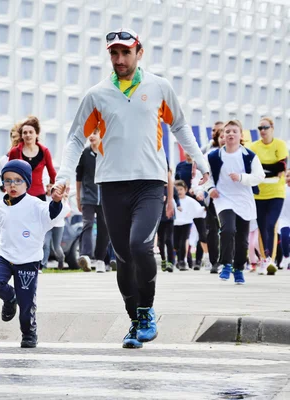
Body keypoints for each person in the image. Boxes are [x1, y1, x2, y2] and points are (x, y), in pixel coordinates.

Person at [55, 28, 210, 349]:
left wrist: (202, 162)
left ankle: (147, 311)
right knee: (123, 257)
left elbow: (179, 125)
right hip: (111, 185)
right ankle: (134, 320)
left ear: (140, 52)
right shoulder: (97, 94)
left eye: (126, 52)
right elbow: (75, 139)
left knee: (141, 245)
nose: (120, 59)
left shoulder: (159, 88)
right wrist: (64, 174)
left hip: (150, 183)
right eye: (114, 53)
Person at [0, 160, 65, 348]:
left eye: (18, 181)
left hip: (28, 260)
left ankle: (29, 333)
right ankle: (9, 298)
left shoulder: (35, 204)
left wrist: (57, 201)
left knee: (26, 304)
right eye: (8, 180)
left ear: (27, 183)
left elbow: (51, 214)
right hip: (4, 256)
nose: (12, 185)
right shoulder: (0, 207)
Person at [205, 120, 265, 284]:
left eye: (234, 131)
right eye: (228, 131)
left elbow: (260, 176)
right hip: (223, 199)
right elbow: (202, 176)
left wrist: (241, 178)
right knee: (228, 230)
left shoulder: (249, 156)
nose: (230, 134)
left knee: (242, 239)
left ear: (240, 135)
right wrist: (210, 189)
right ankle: (225, 264)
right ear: (223, 135)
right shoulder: (213, 156)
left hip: (244, 201)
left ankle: (238, 269)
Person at [8, 116, 57, 270]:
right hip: (20, 196)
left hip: (39, 195)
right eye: (25, 132)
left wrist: (52, 186)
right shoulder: (15, 151)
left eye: (31, 132)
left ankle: (37, 263)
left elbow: (52, 172)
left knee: (38, 230)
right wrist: (9, 187)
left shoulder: (44, 151)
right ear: (21, 135)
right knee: (18, 228)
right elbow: (7, 172)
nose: (28, 135)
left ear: (36, 134)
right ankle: (18, 261)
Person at [247, 117, 288, 275]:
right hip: (258, 193)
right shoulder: (253, 146)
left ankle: (270, 259)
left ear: (272, 128)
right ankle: (264, 259)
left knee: (271, 224)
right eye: (260, 128)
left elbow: (281, 165)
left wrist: (263, 170)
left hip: (276, 192)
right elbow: (253, 167)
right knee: (262, 227)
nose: (262, 131)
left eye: (265, 127)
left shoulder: (280, 145)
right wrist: (268, 169)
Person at [76, 130, 109, 273]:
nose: (91, 136)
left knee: (104, 228)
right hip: (88, 197)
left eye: (95, 133)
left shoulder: (107, 152)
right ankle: (86, 256)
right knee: (87, 224)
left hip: (105, 198)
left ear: (102, 135)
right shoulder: (84, 154)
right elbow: (78, 177)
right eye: (90, 133)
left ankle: (101, 260)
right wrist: (78, 197)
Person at [205, 122, 225, 274]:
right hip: (213, 197)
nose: (224, 138)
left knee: (229, 229)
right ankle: (215, 262)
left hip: (232, 198)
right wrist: (203, 189)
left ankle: (228, 260)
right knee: (212, 230)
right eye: (221, 136)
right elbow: (200, 174)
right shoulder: (209, 153)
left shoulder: (241, 153)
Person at [173, 180, 204, 271]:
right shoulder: (172, 200)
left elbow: (198, 210)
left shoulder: (190, 201)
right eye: (177, 189)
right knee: (176, 243)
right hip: (174, 224)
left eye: (181, 189)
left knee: (183, 241)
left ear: (185, 190)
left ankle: (182, 261)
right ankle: (179, 260)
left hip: (186, 223)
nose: (179, 191)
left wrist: (204, 209)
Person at [158, 166, 178, 273]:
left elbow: (177, 199)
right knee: (160, 241)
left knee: (169, 239)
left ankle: (171, 261)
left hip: (169, 216)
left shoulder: (172, 188)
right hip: (159, 217)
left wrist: (176, 204)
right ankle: (163, 260)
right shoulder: (157, 187)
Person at [0, 122, 22, 192]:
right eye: (13, 137)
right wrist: (2, 185)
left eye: (18, 136)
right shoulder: (4, 159)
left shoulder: (33, 155)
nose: (15, 139)